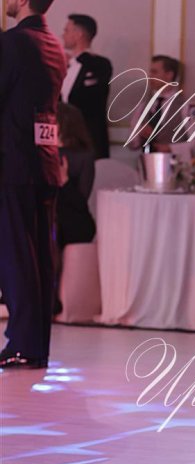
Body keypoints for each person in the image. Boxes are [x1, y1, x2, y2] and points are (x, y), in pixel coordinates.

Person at [0, 0, 67, 369]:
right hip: (44, 161)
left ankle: (23, 344)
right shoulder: (53, 44)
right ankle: (35, 344)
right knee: (40, 256)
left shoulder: (13, 42)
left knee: (15, 257)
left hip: (12, 163)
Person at [53, 103, 96, 315]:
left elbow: (81, 201)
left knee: (51, 230)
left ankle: (50, 297)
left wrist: (65, 182)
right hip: (50, 217)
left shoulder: (83, 156)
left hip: (75, 220)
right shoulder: (42, 153)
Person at [61, 14, 113, 159]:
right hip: (64, 142)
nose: (63, 35)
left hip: (89, 141)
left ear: (78, 34)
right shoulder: (65, 65)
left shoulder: (99, 65)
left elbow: (92, 101)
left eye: (66, 30)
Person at [127, 54, 186, 153]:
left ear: (169, 74)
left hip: (174, 161)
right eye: (150, 72)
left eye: (154, 72)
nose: (150, 76)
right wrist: (139, 132)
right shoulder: (143, 106)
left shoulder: (186, 106)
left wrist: (170, 148)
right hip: (147, 160)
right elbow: (132, 145)